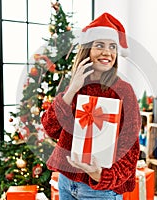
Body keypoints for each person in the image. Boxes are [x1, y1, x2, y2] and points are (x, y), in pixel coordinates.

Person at [41, 12, 141, 200]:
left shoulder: (124, 91)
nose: (107, 52)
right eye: (99, 45)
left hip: (99, 190)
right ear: (87, 50)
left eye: (112, 46)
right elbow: (51, 128)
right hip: (66, 181)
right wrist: (72, 90)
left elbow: (130, 150)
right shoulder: (77, 86)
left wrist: (99, 175)